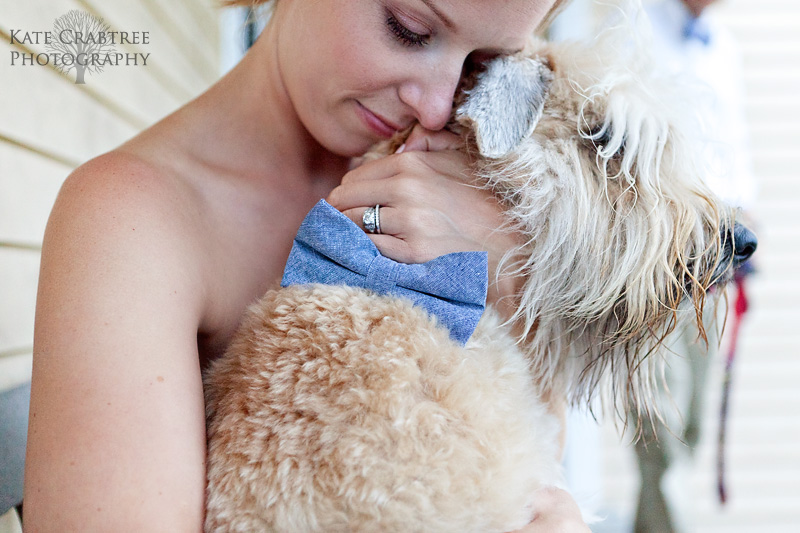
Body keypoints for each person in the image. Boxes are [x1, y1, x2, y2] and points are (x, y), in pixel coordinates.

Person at [22, 0, 590, 530]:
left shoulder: (480, 194)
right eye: (408, 29)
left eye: (484, 61)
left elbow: (540, 460)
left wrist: (508, 268)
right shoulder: (132, 219)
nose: (439, 105)